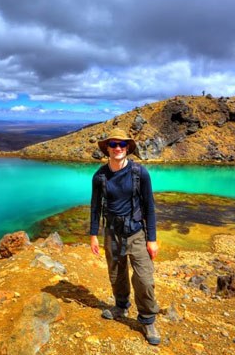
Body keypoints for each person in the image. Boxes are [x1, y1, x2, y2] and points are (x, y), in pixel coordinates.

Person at [90, 128, 161, 345]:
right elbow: (95, 207)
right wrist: (93, 234)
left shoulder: (140, 173)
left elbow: (149, 205)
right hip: (112, 232)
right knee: (116, 274)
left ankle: (147, 319)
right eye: (113, 144)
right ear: (107, 149)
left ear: (128, 148)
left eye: (122, 144)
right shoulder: (100, 176)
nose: (118, 148)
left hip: (136, 232)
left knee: (145, 279)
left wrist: (152, 239)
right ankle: (121, 305)